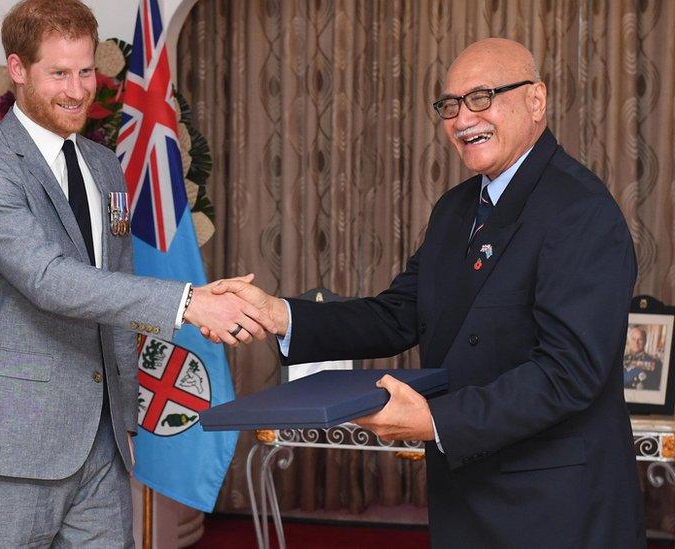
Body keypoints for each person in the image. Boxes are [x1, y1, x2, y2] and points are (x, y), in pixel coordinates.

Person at [214, 38, 646, 547]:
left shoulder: (580, 209)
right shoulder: (456, 208)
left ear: (536, 100)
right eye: (450, 105)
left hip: (554, 504)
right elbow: (400, 315)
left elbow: (569, 373)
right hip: (466, 491)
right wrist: (282, 315)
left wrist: (435, 419)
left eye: (482, 97)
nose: (463, 119)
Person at [0, 1, 274, 546]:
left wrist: (126, 412)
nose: (78, 90)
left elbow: (115, 285)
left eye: (85, 71)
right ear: (18, 69)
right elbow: (50, 280)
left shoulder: (104, 166)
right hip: (15, 439)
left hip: (104, 441)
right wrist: (189, 302)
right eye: (59, 73)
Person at [624, 326, 663, 390]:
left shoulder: (656, 363)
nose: (636, 343)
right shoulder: (622, 359)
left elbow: (655, 388)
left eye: (640, 339)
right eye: (633, 339)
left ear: (645, 341)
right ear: (629, 341)